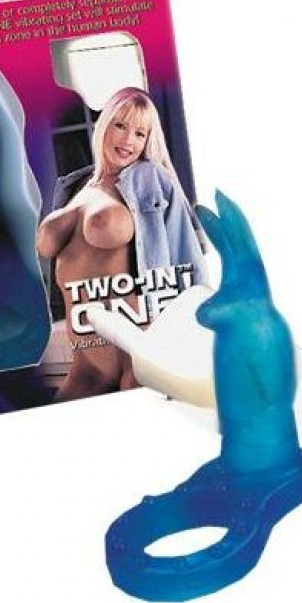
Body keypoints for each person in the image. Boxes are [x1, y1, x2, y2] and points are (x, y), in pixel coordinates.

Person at [36, 88, 207, 401]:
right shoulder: (75, 185)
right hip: (86, 362)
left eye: (140, 134)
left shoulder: (150, 179)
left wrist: (191, 336)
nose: (129, 140)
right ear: (105, 124)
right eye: (121, 125)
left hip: (136, 353)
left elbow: (186, 256)